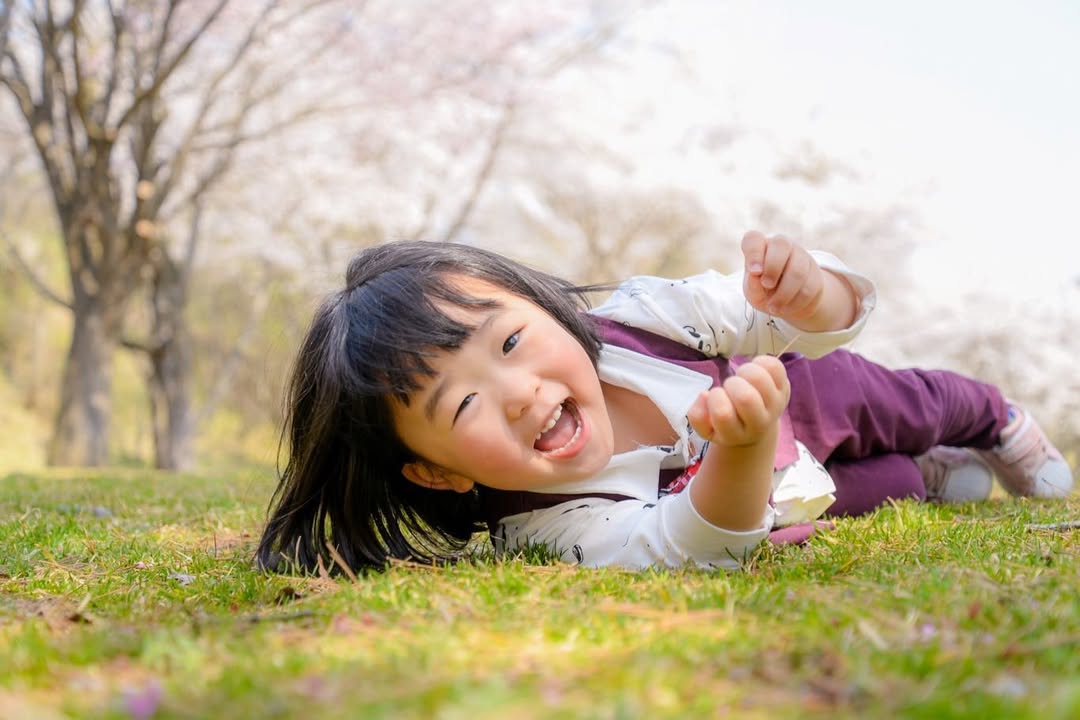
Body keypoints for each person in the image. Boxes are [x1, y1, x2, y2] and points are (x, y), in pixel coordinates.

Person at [255, 234, 1073, 573]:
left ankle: (994, 423)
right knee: (868, 492)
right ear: (433, 471)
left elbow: (791, 321)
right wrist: (743, 455)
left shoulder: (641, 321)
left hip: (802, 393)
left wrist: (811, 291)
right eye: (464, 404)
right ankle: (927, 477)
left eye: (509, 343)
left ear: (547, 308)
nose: (521, 394)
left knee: (905, 402)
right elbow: (687, 544)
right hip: (767, 482)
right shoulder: (546, 523)